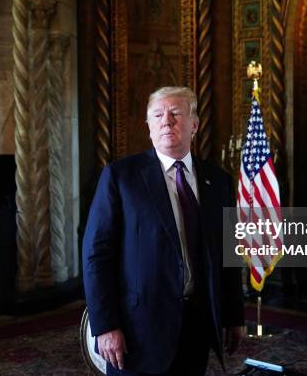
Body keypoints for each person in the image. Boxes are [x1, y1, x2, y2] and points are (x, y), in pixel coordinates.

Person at [82, 86, 244, 375]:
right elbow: (96, 255)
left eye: (176, 113)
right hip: (138, 331)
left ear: (194, 124)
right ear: (148, 127)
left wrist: (234, 316)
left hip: (196, 325)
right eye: (158, 115)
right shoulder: (121, 177)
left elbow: (227, 254)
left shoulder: (218, 182)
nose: (166, 121)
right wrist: (105, 326)